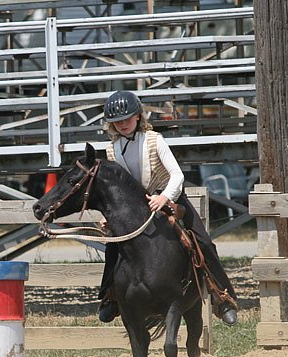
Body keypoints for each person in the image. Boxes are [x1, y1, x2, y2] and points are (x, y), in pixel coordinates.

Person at [97, 89, 239, 325]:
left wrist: (164, 197)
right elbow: (118, 189)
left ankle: (222, 297)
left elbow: (176, 175)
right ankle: (110, 296)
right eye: (117, 121)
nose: (122, 124)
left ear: (138, 117)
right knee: (114, 247)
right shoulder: (112, 148)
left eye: (127, 118)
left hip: (170, 198)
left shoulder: (155, 140)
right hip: (136, 207)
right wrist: (110, 216)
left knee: (204, 242)